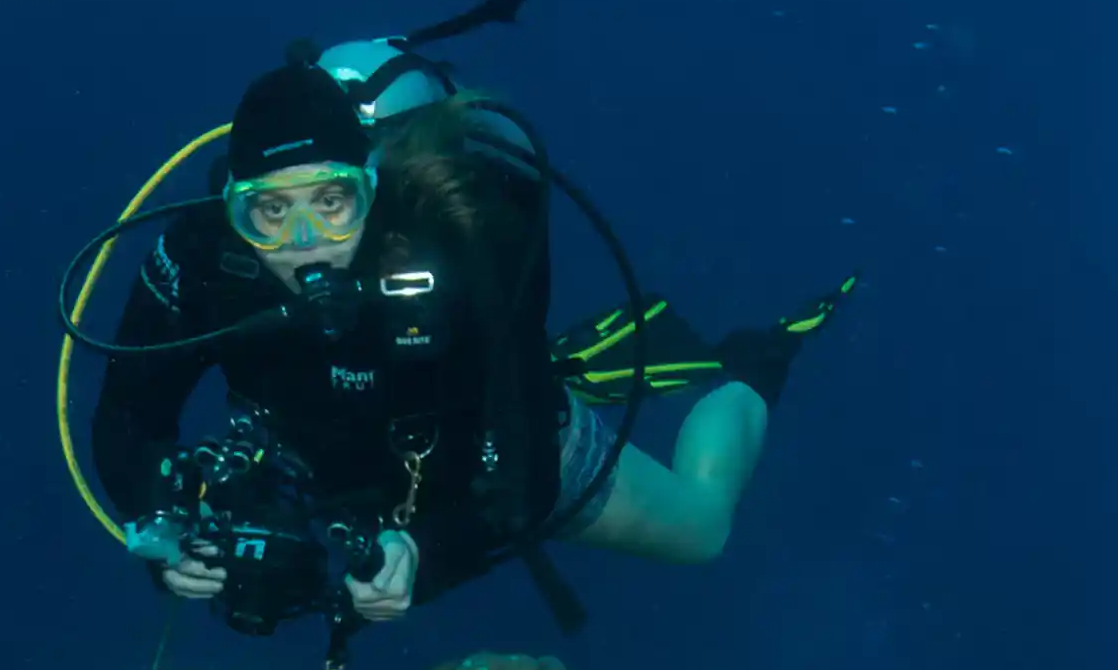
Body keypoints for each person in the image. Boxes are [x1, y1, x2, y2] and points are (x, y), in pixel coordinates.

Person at [88, 56, 850, 625]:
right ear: (232, 210)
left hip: (480, 433)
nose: (307, 243)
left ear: (371, 188)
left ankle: (755, 363)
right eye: (269, 214)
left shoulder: (458, 233)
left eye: (332, 202)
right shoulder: (200, 257)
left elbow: (525, 482)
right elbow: (126, 418)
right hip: (310, 460)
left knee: (703, 530)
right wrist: (161, 525)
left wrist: (427, 554)